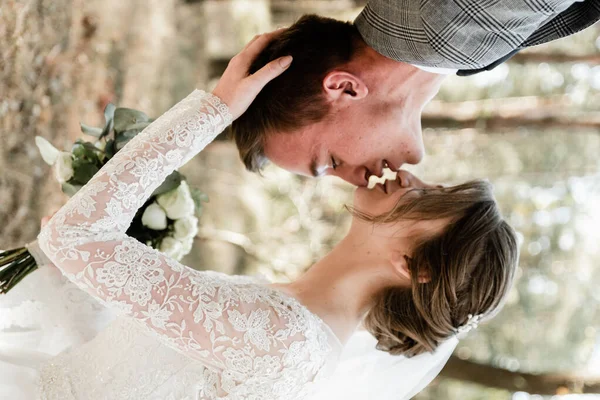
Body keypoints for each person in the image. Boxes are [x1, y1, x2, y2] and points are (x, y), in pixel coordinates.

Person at [0, 31, 518, 399]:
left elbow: (75, 237)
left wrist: (216, 109)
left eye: (432, 197)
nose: (413, 175)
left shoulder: (283, 338)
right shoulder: (291, 320)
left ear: (415, 265)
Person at [232, 7, 600, 185]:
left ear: (344, 87)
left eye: (331, 161)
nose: (358, 182)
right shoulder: (440, 41)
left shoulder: (443, 21)